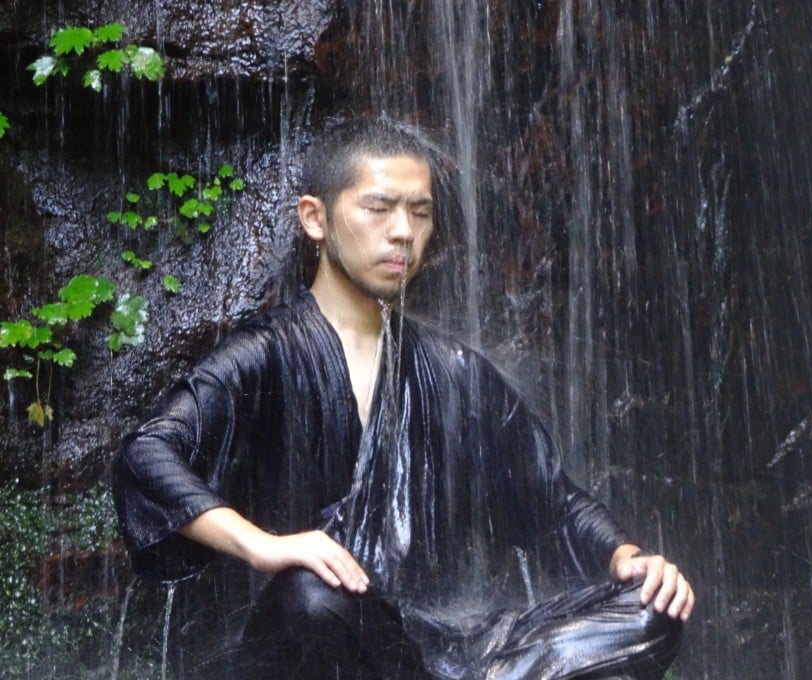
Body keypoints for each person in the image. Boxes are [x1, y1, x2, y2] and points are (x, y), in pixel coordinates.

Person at [113, 117, 694, 679]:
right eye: (379, 208)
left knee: (652, 610)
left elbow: (552, 501)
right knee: (313, 596)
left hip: (442, 645)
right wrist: (262, 545)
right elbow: (148, 455)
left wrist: (624, 557)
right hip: (318, 633)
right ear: (315, 219)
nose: (403, 232)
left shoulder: (455, 370)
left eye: (420, 212)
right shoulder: (267, 353)